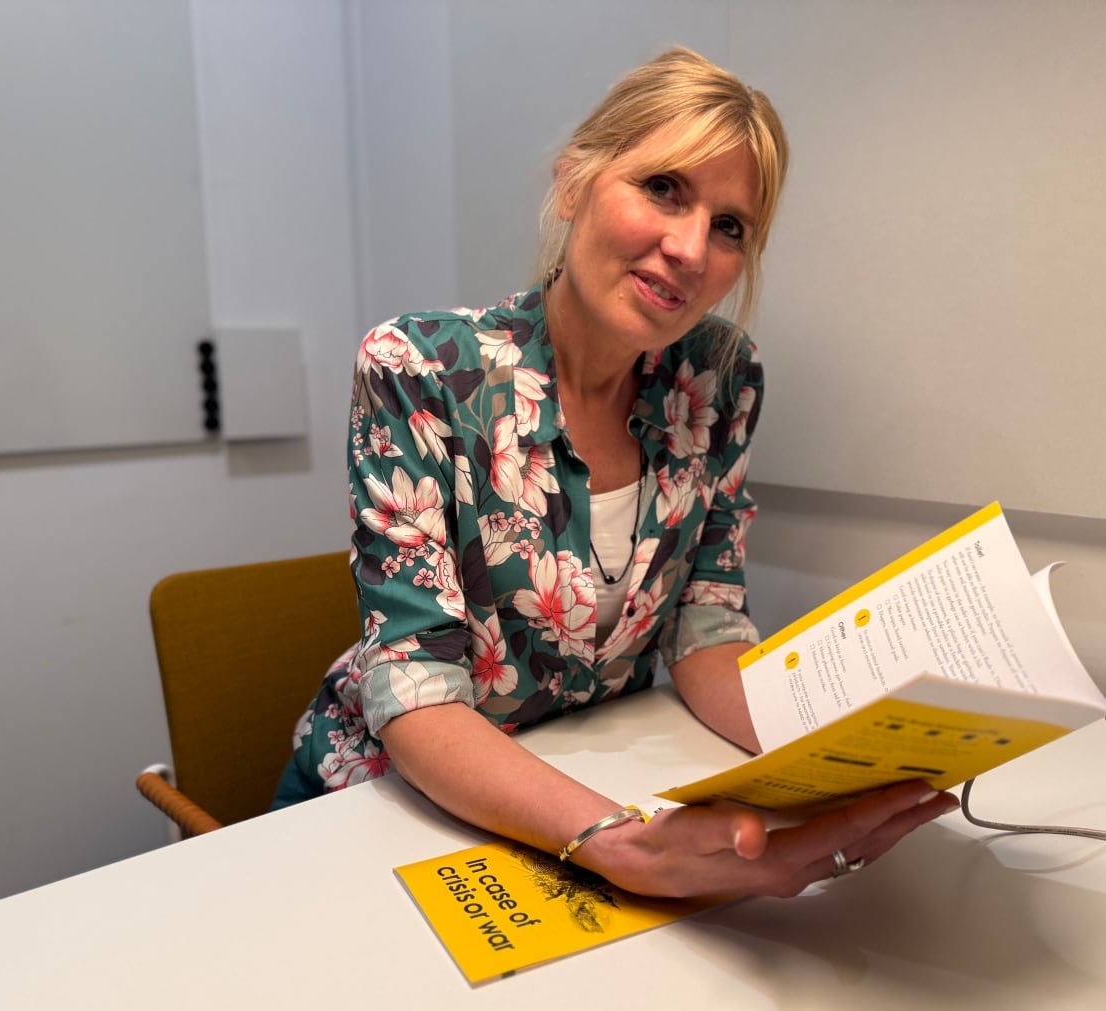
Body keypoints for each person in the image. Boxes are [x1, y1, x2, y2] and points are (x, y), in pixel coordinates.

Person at [273, 46, 958, 898]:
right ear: (573, 184)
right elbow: (417, 691)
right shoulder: (420, 370)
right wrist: (624, 847)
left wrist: (841, 763)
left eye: (730, 225)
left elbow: (707, 627)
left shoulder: (719, 377)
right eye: (664, 188)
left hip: (588, 774)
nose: (689, 247)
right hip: (390, 800)